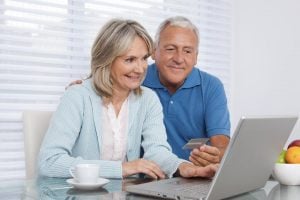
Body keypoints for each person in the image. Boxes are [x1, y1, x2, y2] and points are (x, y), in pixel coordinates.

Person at [38, 18, 217, 179]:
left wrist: (183, 167)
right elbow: (50, 162)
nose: (140, 69)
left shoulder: (148, 100)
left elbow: (156, 151)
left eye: (143, 59)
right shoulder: (78, 96)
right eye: (130, 60)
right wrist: (121, 169)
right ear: (107, 60)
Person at [144, 16, 230, 167]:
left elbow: (221, 145)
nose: (179, 58)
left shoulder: (211, 86)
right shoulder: (138, 80)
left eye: (188, 51)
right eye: (170, 49)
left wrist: (215, 156)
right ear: (153, 51)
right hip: (148, 178)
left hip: (194, 177)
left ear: (196, 57)